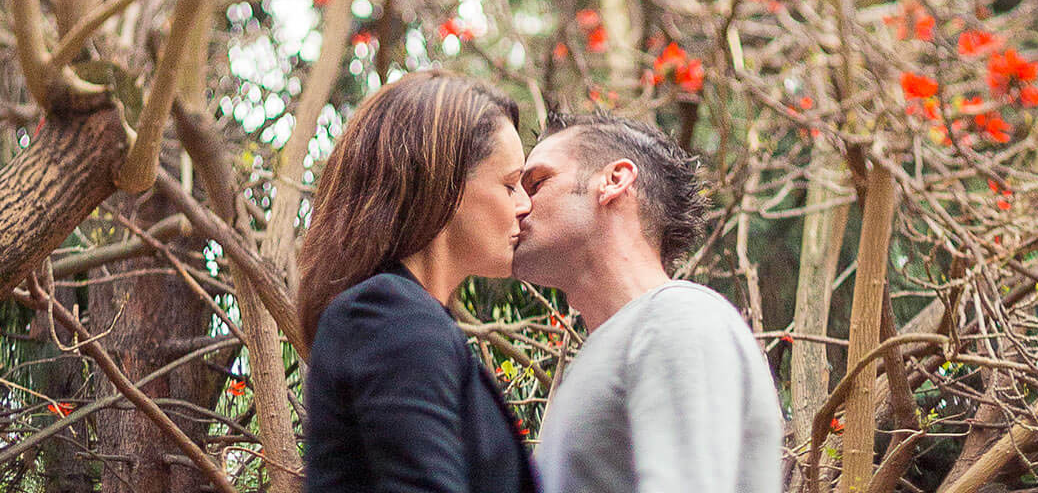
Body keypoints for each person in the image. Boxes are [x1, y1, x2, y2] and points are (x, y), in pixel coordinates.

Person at [511, 111, 783, 493]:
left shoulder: (678, 319)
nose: (518, 206)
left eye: (536, 183)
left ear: (614, 181)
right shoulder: (617, 345)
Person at [298, 70, 537, 493]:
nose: (525, 205)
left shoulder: (404, 320)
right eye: (510, 184)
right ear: (444, 185)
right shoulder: (388, 318)